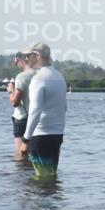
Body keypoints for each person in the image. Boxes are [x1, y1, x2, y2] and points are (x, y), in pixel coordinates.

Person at [18, 43, 68, 180]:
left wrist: (26, 139)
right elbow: (64, 107)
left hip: (40, 136)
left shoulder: (38, 79)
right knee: (51, 175)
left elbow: (35, 111)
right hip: (57, 135)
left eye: (28, 56)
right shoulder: (59, 76)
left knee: (41, 178)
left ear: (37, 56)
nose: (26, 59)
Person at [7, 53, 35, 157]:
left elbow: (15, 102)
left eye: (17, 63)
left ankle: (21, 168)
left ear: (19, 60)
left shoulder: (22, 77)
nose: (17, 66)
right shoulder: (40, 74)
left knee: (21, 155)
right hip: (37, 118)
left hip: (22, 118)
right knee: (34, 155)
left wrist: (11, 91)